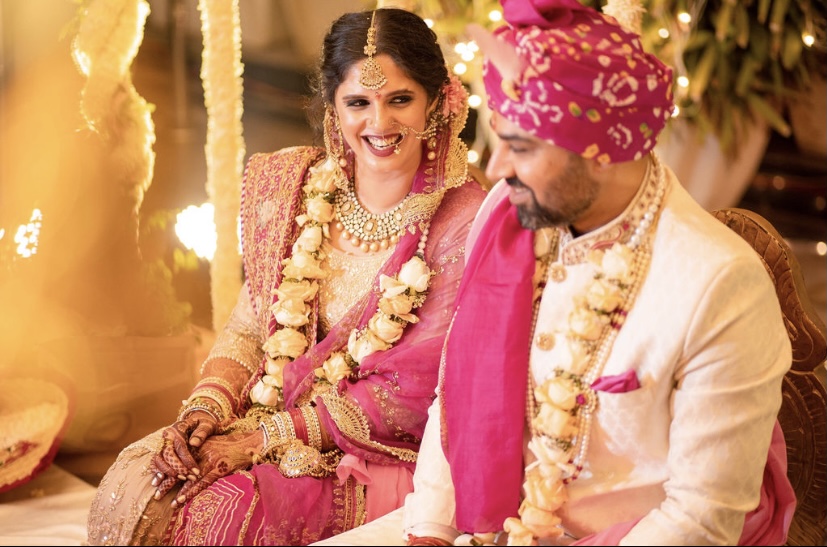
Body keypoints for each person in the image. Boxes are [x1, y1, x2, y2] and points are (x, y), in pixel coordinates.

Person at [312, 0, 797, 545]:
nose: (497, 168)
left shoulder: (718, 283)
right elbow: (455, 396)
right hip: (482, 521)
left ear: (601, 151)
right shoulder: (506, 217)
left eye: (520, 147)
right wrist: (430, 531)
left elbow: (700, 519)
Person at [86, 7, 486, 545]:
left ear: (436, 101)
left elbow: (413, 396)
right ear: (333, 106)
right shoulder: (294, 187)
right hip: (265, 417)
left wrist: (266, 437)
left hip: (376, 454)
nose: (380, 123)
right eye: (358, 103)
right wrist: (206, 408)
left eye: (400, 100)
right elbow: (250, 328)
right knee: (136, 482)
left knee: (216, 517)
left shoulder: (463, 221)